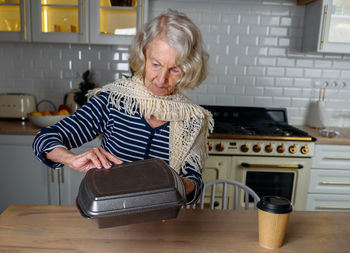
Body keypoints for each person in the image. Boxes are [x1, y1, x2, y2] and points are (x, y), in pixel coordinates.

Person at [33, 9, 213, 204]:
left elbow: (194, 186)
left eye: (174, 69)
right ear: (144, 54)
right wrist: (71, 159)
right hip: (109, 217)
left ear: (188, 69)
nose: (162, 79)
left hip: (163, 222)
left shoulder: (192, 119)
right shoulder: (113, 101)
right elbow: (45, 139)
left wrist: (177, 183)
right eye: (156, 64)